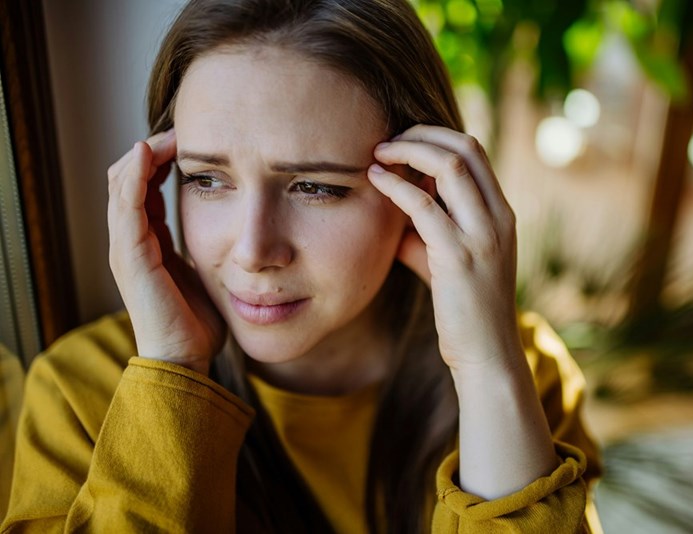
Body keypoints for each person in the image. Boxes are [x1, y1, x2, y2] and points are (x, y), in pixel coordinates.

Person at [1, 0, 601, 531]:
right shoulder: (80, 395)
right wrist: (174, 373)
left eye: (315, 187)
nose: (253, 250)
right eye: (206, 179)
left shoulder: (523, 374)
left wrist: (488, 370)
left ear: (421, 187)